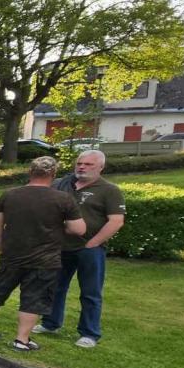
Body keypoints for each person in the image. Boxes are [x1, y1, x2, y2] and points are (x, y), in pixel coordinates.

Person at [0, 157, 85, 351]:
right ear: (53, 174)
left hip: (11, 255)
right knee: (34, 298)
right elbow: (78, 229)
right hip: (44, 259)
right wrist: (58, 226)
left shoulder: (9, 195)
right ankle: (22, 340)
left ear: (30, 172)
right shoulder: (63, 199)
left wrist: (1, 247)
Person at [38, 149, 126, 347]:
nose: (82, 167)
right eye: (79, 163)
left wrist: (93, 243)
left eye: (88, 164)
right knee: (54, 287)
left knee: (90, 292)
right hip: (60, 246)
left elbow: (116, 221)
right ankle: (50, 323)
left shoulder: (109, 190)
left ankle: (89, 333)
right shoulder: (61, 184)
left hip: (89, 249)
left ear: (101, 167)